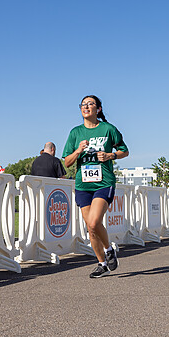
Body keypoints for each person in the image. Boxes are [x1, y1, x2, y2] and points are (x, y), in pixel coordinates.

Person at [63, 95, 129, 278]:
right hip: (83, 184)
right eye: (83, 105)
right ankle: (101, 263)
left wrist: (110, 156)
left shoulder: (108, 129)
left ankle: (109, 250)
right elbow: (67, 163)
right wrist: (78, 150)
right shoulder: (75, 133)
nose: (86, 107)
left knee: (94, 221)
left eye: (90, 104)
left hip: (103, 182)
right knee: (91, 228)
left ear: (98, 109)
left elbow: (125, 150)